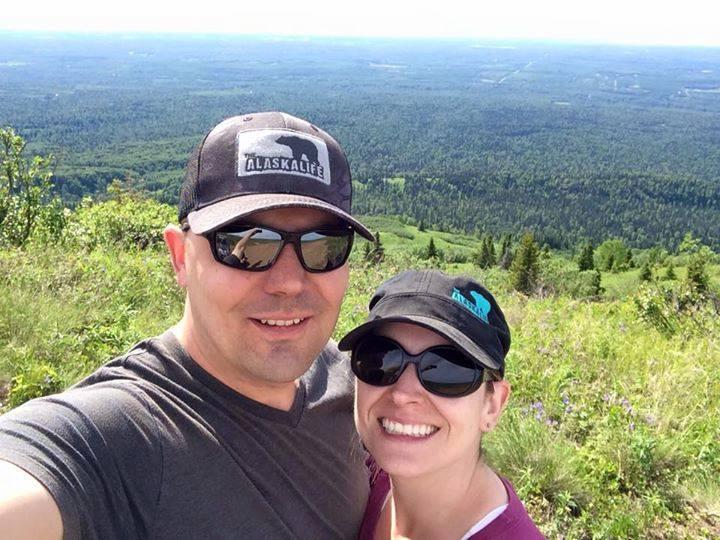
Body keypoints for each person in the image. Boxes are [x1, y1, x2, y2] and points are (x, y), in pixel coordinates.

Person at [0, 112, 375, 539]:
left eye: (324, 247)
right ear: (180, 257)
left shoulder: (351, 384)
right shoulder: (122, 436)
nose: (289, 282)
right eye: (243, 245)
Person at [339, 270, 544, 539]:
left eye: (447, 371)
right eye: (380, 359)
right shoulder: (367, 479)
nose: (403, 393)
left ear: (492, 406)